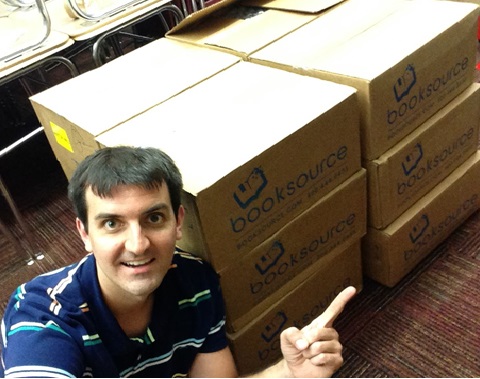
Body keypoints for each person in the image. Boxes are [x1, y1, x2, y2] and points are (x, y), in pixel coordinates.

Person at [0, 146, 356, 378]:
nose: (137, 245)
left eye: (154, 218)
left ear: (178, 221)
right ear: (84, 233)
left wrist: (291, 372)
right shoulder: (41, 317)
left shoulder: (196, 282)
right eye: (112, 223)